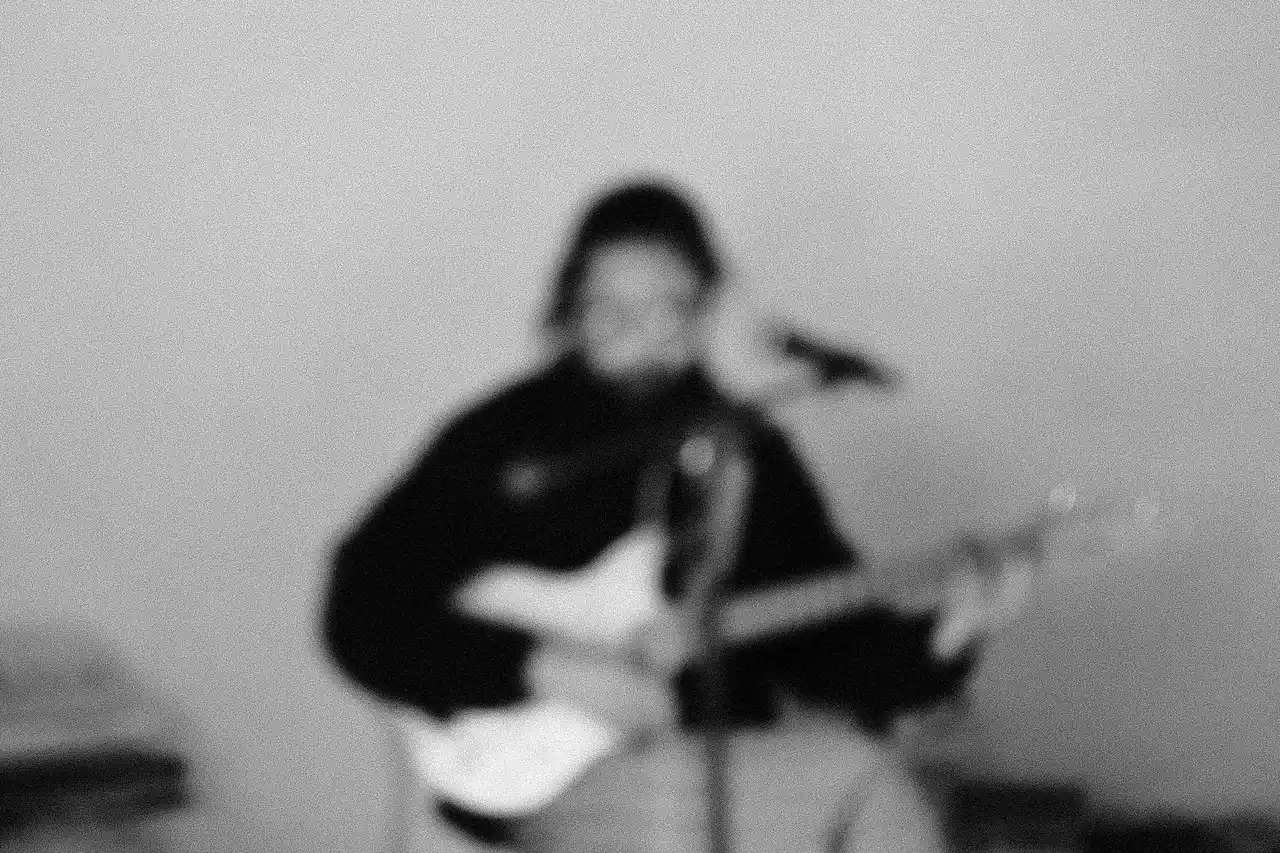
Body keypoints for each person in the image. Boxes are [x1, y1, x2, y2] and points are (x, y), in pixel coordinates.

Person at [320, 181, 1011, 852]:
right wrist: (542, 667)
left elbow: (830, 647)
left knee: (866, 779)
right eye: (609, 311)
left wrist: (948, 636)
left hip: (714, 759)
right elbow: (361, 608)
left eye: (668, 310)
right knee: (858, 782)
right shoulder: (504, 444)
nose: (642, 336)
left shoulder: (745, 451)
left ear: (708, 312)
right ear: (568, 315)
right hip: (549, 778)